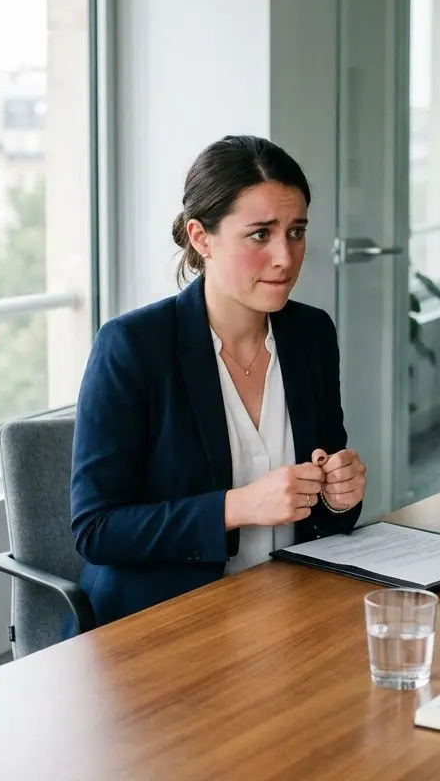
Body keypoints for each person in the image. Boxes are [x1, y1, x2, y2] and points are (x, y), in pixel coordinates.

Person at [70, 135, 366, 628]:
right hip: (167, 623)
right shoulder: (132, 347)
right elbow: (97, 530)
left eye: (296, 232)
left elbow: (327, 508)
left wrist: (341, 492)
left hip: (290, 606)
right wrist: (239, 506)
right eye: (260, 235)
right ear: (201, 237)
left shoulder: (311, 334)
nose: (285, 257)